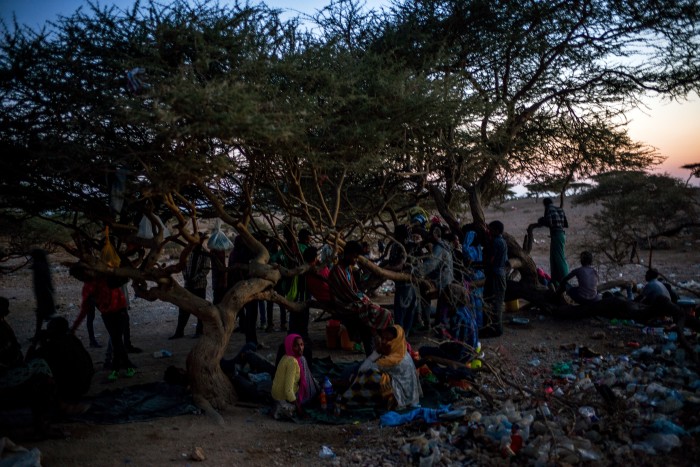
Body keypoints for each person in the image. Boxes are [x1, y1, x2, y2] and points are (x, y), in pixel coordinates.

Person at [328, 240, 393, 355]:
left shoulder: (347, 269)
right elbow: (347, 293)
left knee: (376, 312)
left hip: (351, 301)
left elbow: (354, 291)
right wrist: (363, 300)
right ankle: (373, 353)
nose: (356, 260)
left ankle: (377, 349)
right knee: (372, 316)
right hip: (343, 305)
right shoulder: (337, 271)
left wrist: (364, 299)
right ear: (348, 254)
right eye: (355, 257)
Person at [71, 269, 136, 382]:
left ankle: (116, 369)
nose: (80, 278)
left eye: (79, 275)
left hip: (118, 312)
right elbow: (84, 309)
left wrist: (74, 327)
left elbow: (84, 310)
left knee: (116, 341)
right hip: (110, 314)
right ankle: (127, 366)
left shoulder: (102, 278)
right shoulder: (92, 285)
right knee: (117, 341)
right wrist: (74, 327)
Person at [339, 324, 421, 411]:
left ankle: (349, 399)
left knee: (367, 375)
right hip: (411, 395)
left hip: (402, 397)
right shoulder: (401, 350)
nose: (383, 342)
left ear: (396, 340)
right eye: (383, 338)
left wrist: (377, 352)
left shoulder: (391, 360)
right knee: (355, 371)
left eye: (388, 339)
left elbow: (363, 369)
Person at [27, 317, 94, 402]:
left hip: (70, 390)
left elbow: (28, 362)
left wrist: (36, 342)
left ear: (51, 331)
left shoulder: (52, 346)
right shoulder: (72, 339)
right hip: (84, 385)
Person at [170, 234, 210, 339]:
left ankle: (199, 331)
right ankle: (179, 332)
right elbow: (183, 266)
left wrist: (194, 279)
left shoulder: (205, 253)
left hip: (199, 285)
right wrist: (187, 278)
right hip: (188, 284)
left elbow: (205, 269)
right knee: (183, 308)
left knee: (200, 309)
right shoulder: (188, 252)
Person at [271, 334, 318, 419]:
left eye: (301, 345)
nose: (300, 348)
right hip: (285, 397)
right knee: (313, 394)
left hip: (277, 395)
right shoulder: (293, 362)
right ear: (290, 347)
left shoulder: (285, 357)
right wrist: (300, 411)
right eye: (296, 346)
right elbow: (288, 391)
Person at [383, 224, 419, 336]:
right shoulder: (411, 245)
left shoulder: (398, 246)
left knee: (400, 314)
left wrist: (384, 268)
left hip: (403, 284)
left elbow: (398, 266)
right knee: (409, 313)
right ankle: (404, 337)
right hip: (412, 283)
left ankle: (401, 338)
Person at [538, 198, 569, 285]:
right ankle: (555, 282)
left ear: (545, 204)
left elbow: (549, 222)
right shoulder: (559, 209)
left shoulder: (548, 209)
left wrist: (541, 221)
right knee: (554, 259)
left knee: (559, 259)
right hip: (561, 235)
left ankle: (565, 281)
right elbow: (566, 224)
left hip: (556, 235)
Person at [487, 220, 507, 336]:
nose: (489, 231)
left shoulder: (496, 242)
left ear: (496, 230)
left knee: (496, 303)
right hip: (501, 274)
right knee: (498, 302)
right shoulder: (503, 241)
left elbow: (492, 259)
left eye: (491, 229)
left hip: (496, 274)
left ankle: (496, 330)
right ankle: (497, 328)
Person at [31, 249, 57, 341]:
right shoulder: (43, 265)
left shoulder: (38, 265)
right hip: (44, 294)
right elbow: (48, 280)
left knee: (42, 316)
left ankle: (39, 335)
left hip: (42, 295)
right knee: (44, 315)